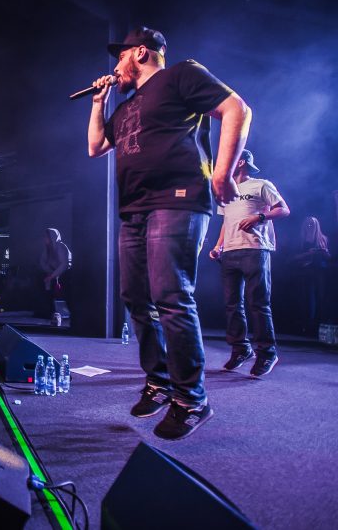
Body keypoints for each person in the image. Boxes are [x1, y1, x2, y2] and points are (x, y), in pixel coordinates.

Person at [87, 27, 252, 440]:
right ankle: (159, 382)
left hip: (177, 200)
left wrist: (222, 174)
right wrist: (99, 102)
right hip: (135, 209)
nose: (116, 65)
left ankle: (191, 399)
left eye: (121, 56)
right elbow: (95, 147)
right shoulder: (126, 105)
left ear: (141, 52)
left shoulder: (181, 74)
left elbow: (237, 109)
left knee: (172, 297)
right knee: (136, 299)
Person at [209, 149, 290, 376]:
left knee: (258, 303)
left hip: (255, 249)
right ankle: (241, 349)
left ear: (241, 162)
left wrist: (260, 216)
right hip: (230, 252)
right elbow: (226, 222)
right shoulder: (225, 190)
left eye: (231, 158)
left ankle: (267, 353)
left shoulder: (261, 185)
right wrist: (218, 246)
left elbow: (284, 209)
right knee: (232, 305)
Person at [290, 216, 331, 335]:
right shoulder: (300, 240)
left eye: (312, 224)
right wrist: (308, 254)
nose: (310, 226)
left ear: (317, 226)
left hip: (319, 272)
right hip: (304, 272)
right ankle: (305, 325)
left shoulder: (323, 239)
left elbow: (329, 258)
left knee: (319, 298)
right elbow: (291, 258)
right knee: (306, 299)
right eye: (308, 224)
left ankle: (316, 326)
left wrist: (325, 251)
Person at [39, 228, 72, 325]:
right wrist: (49, 272)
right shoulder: (47, 249)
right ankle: (52, 312)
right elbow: (42, 262)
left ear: (51, 237)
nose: (44, 239)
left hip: (65, 275)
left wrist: (52, 276)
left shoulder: (61, 247)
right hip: (54, 275)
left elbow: (64, 264)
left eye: (46, 237)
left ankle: (62, 314)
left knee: (62, 295)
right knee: (49, 292)